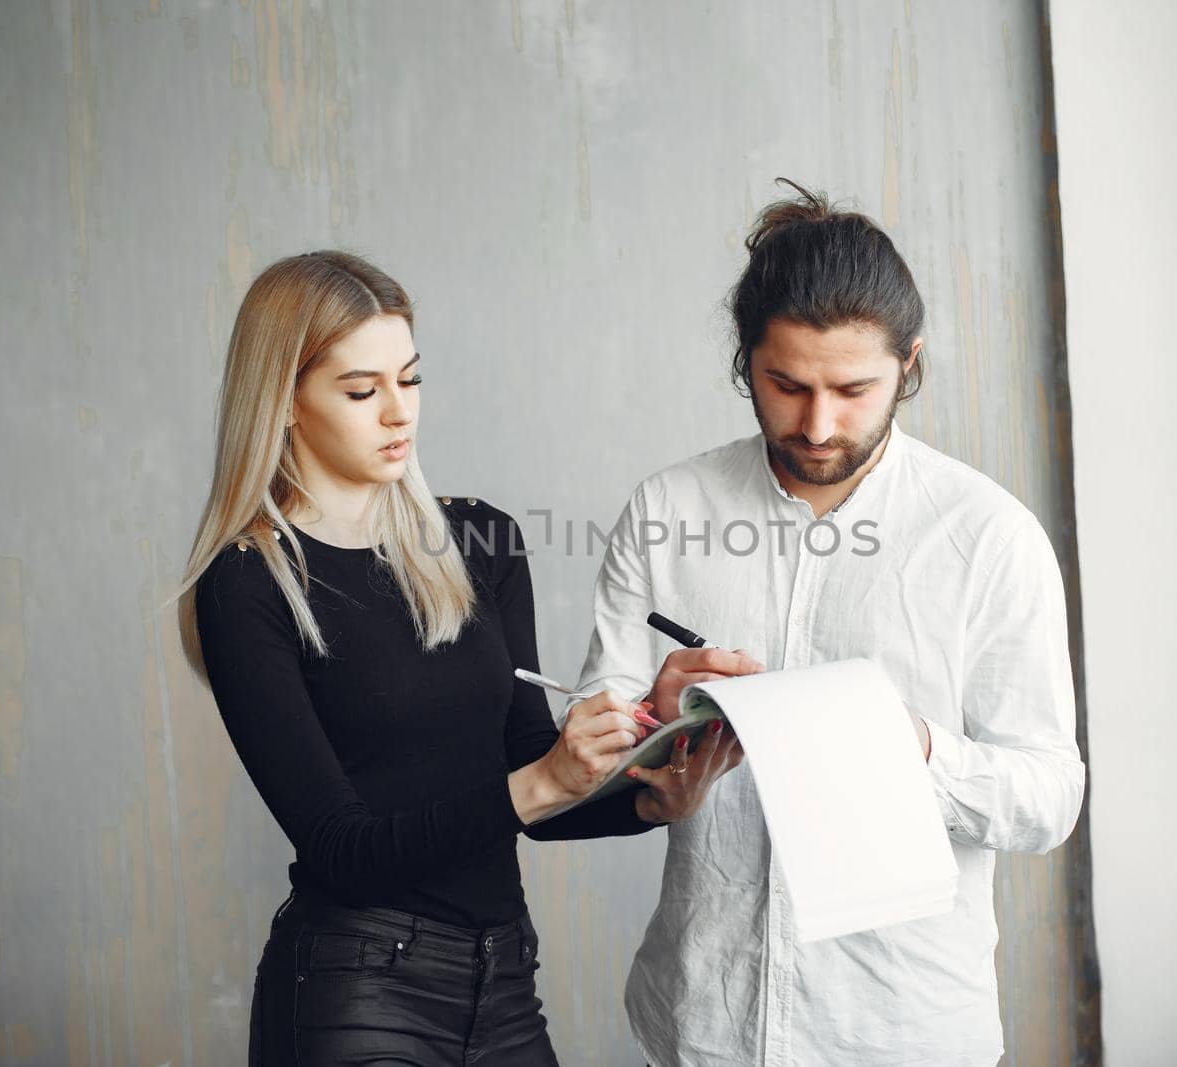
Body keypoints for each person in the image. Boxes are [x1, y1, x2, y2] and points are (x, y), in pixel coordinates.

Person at [176, 250, 745, 1066]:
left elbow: (524, 772)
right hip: (356, 990)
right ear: (286, 402)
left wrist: (650, 781)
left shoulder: (480, 541)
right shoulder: (247, 583)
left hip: (505, 980)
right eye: (361, 390)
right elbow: (343, 848)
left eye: (409, 379)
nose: (398, 412)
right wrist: (547, 777)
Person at [574, 183, 1087, 1066]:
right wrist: (650, 735)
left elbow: (1049, 798)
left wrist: (919, 746)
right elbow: (586, 754)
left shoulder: (988, 538)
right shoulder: (667, 508)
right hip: (701, 1022)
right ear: (746, 362)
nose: (817, 424)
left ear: (910, 363)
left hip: (901, 1031)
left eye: (854, 389)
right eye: (786, 385)